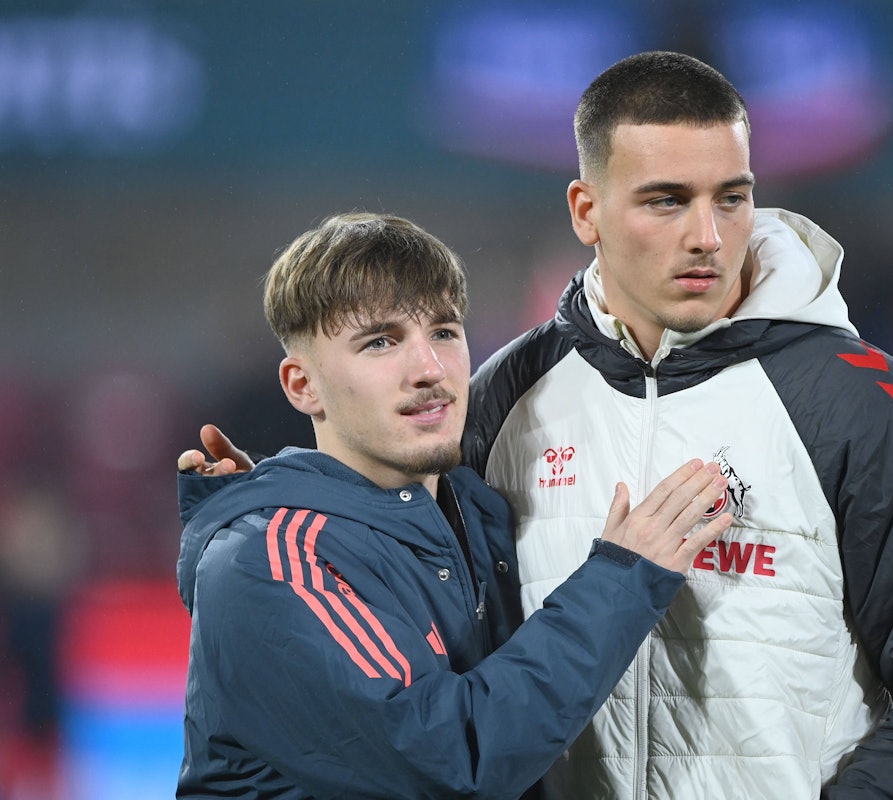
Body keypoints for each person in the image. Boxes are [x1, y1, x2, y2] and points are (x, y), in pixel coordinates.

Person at [187, 53, 893, 798]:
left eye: (732, 197)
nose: (707, 237)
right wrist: (272, 514)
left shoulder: (859, 401)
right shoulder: (505, 396)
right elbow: (414, 606)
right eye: (665, 201)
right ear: (585, 212)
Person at [175, 211, 734, 799]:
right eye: (381, 342)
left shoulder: (475, 508)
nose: (430, 370)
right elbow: (452, 762)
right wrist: (623, 580)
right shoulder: (268, 561)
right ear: (301, 385)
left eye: (443, 331)